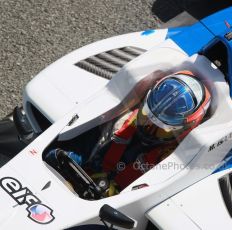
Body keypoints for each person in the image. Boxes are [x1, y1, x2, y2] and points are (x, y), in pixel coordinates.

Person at [46, 70, 211, 196]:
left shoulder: (178, 162)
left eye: (161, 128)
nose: (149, 128)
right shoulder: (119, 124)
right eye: (146, 117)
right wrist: (63, 167)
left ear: (185, 128)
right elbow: (74, 151)